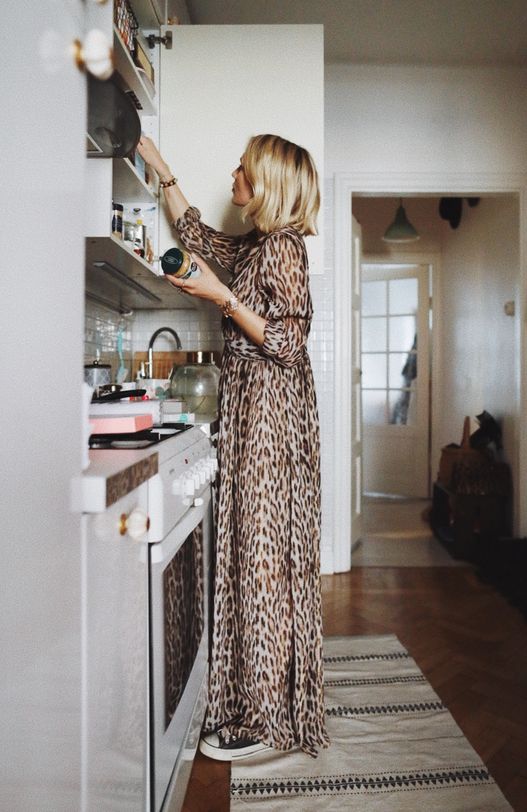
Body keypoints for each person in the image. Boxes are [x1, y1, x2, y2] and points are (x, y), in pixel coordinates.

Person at [137, 133, 329, 761]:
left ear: (267, 183)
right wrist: (161, 165)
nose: (233, 175)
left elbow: (286, 342)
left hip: (273, 415)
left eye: (243, 168)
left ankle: (268, 715)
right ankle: (251, 699)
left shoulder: (285, 249)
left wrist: (221, 298)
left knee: (264, 560)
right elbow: (196, 238)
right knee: (249, 553)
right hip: (251, 409)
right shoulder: (254, 248)